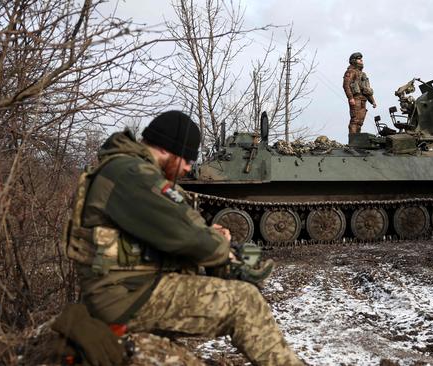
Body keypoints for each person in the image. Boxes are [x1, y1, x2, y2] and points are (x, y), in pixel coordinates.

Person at [64, 110, 303, 365]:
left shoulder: (124, 169)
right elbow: (185, 235)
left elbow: (168, 228)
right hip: (125, 296)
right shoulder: (132, 174)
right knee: (244, 301)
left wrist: (209, 235)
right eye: (187, 159)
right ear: (168, 150)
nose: (189, 167)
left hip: (127, 288)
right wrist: (223, 250)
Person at [343, 52, 377, 134]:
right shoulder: (351, 71)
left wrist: (372, 101)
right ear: (354, 61)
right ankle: (353, 142)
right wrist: (350, 98)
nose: (361, 60)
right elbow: (346, 85)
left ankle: (358, 141)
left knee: (360, 122)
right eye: (359, 59)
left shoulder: (363, 74)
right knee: (355, 120)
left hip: (363, 100)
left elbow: (366, 89)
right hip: (356, 99)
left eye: (361, 59)